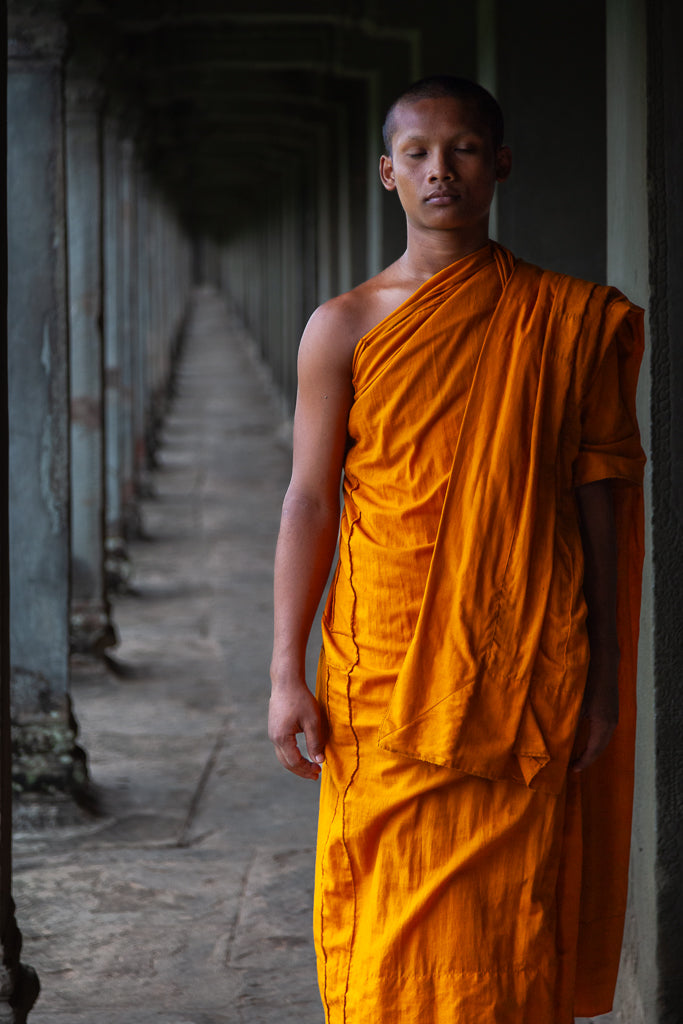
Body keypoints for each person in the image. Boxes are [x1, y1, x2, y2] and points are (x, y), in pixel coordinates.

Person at [268, 75, 645, 1024]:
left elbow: (597, 507)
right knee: (387, 914)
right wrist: (283, 672)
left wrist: (601, 676)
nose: (443, 170)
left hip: (523, 662)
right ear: (386, 174)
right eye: (421, 154)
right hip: (379, 665)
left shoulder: (566, 323)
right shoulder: (342, 327)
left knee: (506, 922)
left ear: (500, 166)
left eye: (465, 150)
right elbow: (309, 500)